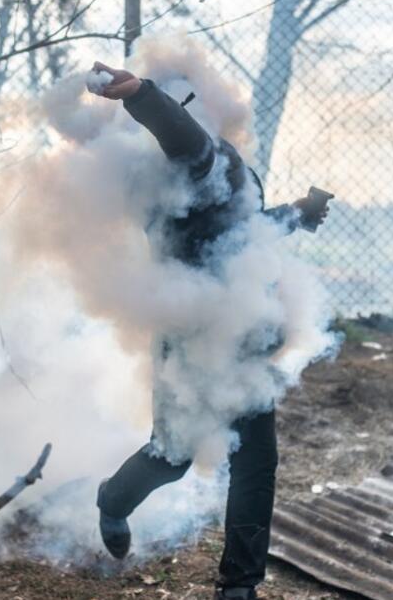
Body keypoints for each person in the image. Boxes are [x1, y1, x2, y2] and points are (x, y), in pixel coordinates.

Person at [88, 61, 329, 600]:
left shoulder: (183, 181)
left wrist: (296, 213)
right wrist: (143, 95)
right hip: (201, 336)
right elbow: (184, 137)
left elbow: (238, 234)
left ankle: (237, 587)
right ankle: (113, 501)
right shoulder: (195, 163)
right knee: (175, 457)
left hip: (233, 333)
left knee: (249, 462)